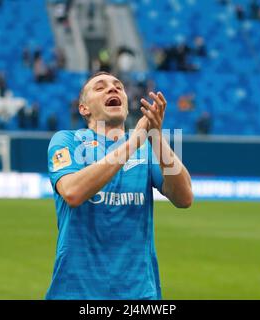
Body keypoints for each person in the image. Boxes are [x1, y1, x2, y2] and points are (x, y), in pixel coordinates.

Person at [46, 72, 193, 300]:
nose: (112, 89)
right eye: (100, 87)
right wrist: (134, 140)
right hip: (76, 291)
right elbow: (73, 192)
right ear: (84, 109)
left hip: (138, 294)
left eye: (118, 86)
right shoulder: (67, 141)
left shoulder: (147, 150)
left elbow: (184, 198)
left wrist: (156, 136)